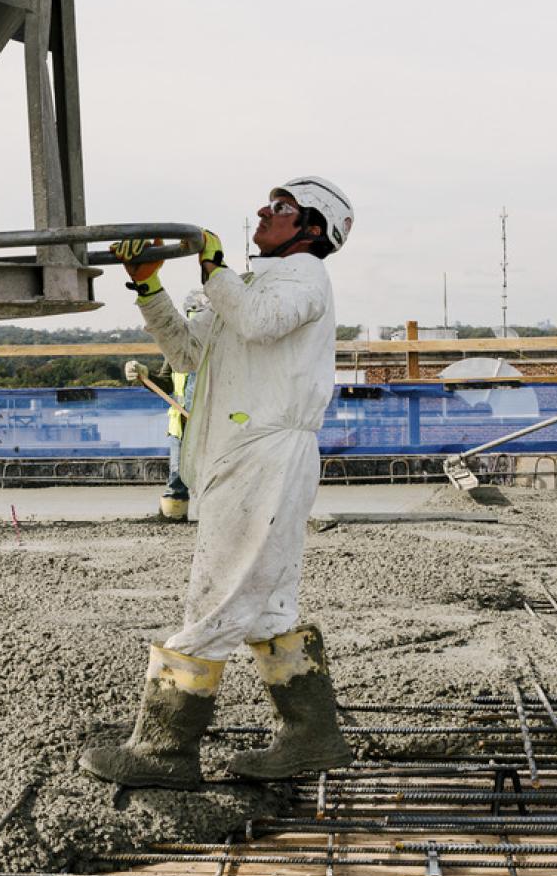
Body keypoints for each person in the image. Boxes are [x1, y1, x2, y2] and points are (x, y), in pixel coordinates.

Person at [81, 176, 355, 789]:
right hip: (247, 455)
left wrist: (213, 264)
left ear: (313, 229)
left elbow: (257, 322)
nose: (264, 209)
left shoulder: (304, 276)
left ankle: (164, 750)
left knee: (215, 599)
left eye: (281, 208)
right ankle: (313, 736)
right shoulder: (254, 285)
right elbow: (186, 354)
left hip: (267, 454)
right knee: (268, 608)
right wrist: (149, 285)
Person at [138, 289, 210, 521]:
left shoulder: (222, 352)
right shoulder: (177, 350)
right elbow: (166, 382)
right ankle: (173, 516)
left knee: (217, 474)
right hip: (181, 423)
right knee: (178, 476)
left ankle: (220, 517)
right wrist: (145, 375)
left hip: (212, 422)